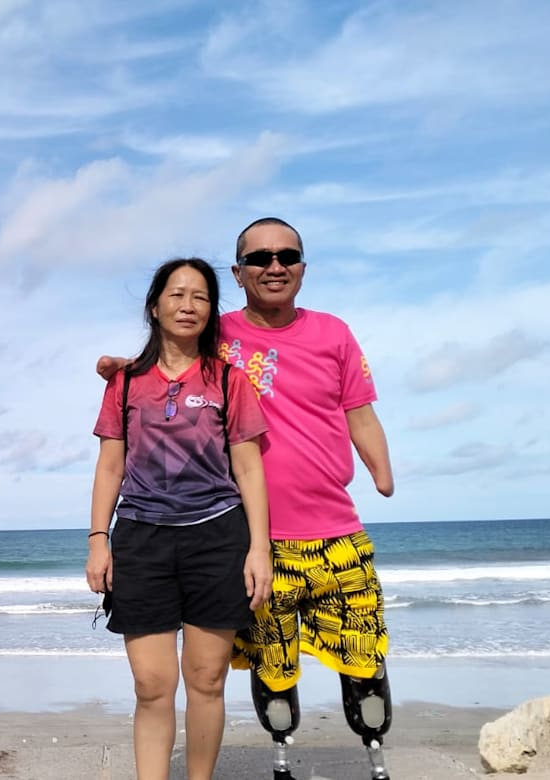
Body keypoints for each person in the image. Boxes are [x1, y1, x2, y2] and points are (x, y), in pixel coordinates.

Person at [98, 218, 396, 780]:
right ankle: (280, 754)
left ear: (303, 266)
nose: (274, 266)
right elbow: (168, 355)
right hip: (250, 537)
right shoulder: (219, 332)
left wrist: (381, 472)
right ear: (238, 273)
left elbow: (359, 410)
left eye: (287, 256)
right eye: (259, 258)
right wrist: (122, 367)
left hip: (331, 526)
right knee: (269, 669)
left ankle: (371, 744)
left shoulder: (333, 332)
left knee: (360, 655)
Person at [86, 257, 273, 780]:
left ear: (211, 310)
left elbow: (248, 468)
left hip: (218, 537)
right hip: (141, 540)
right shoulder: (125, 383)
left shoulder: (229, 380)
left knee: (207, 680)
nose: (188, 305)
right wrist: (98, 540)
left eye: (200, 296)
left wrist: (259, 548)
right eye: (177, 294)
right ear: (154, 306)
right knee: (152, 685)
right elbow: (110, 466)